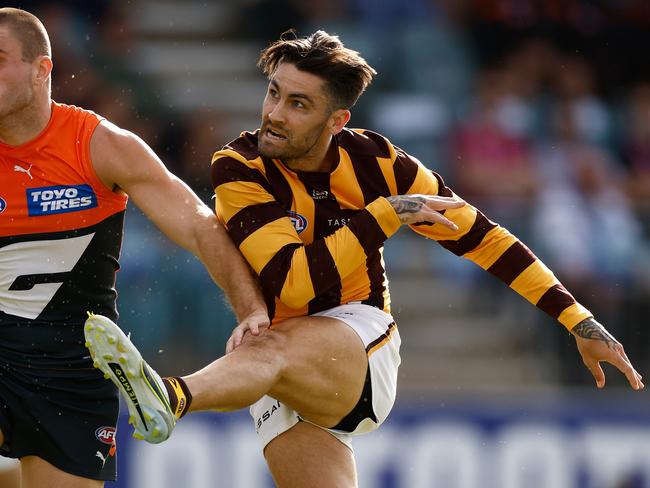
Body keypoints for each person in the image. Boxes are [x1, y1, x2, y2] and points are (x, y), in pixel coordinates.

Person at [86, 30, 645, 488]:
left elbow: (484, 238)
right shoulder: (239, 167)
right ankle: (167, 398)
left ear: (338, 122)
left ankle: (170, 397)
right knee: (273, 347)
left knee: (272, 344)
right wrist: (384, 215)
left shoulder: (380, 162)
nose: (275, 114)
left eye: (298, 104)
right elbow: (295, 284)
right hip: (281, 366)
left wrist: (579, 320)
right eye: (274, 92)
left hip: (358, 341)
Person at [0, 7, 268, 488]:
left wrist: (250, 309)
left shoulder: (99, 146)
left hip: (69, 375)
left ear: (42, 69)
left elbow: (199, 226)